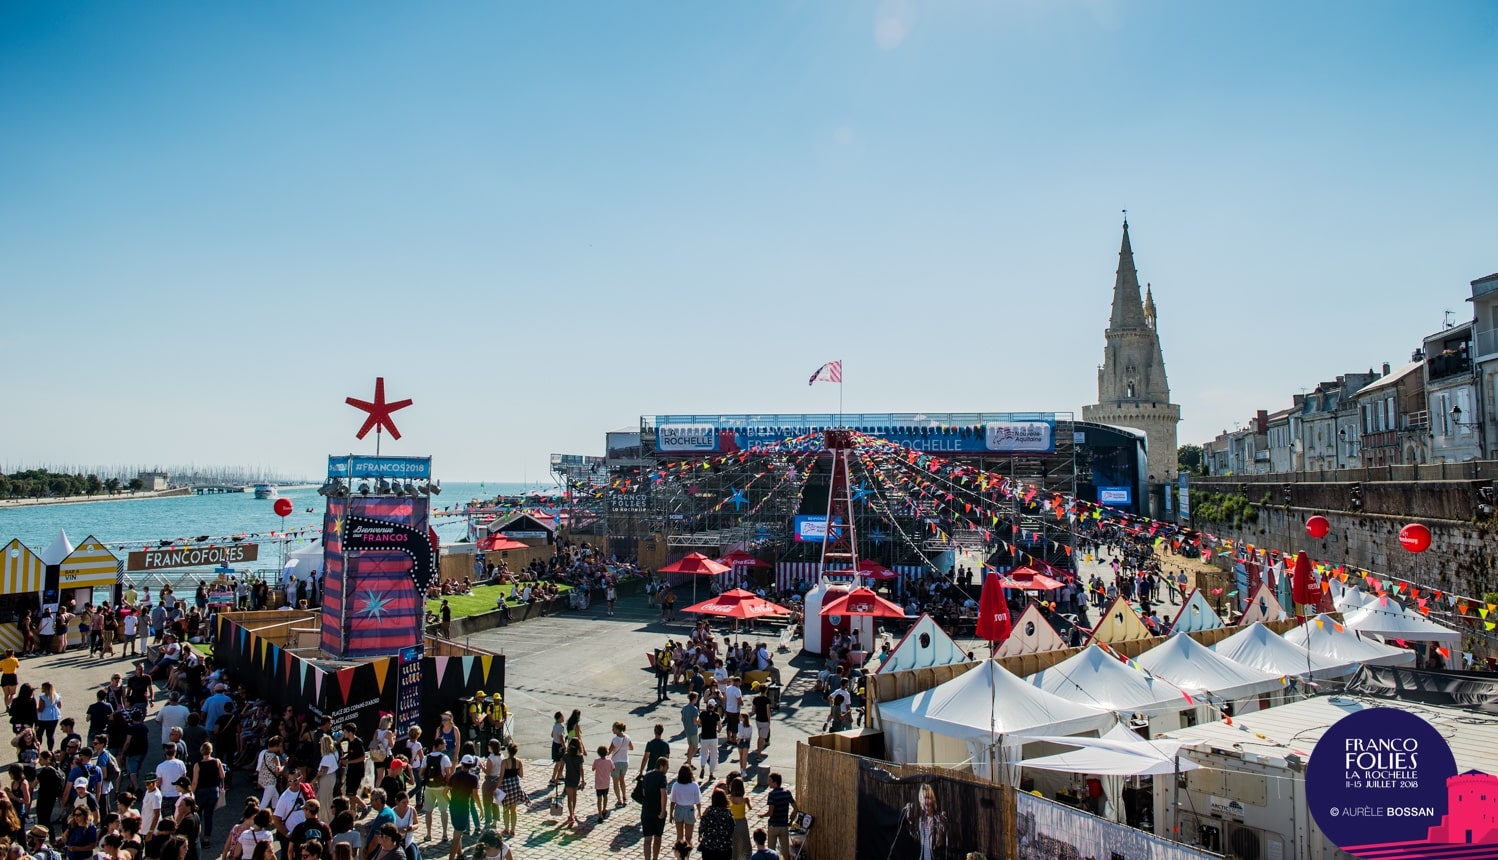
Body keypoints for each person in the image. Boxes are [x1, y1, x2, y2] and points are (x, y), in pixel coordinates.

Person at [189, 743, 224, 849]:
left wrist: (191, 793)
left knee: (197, 815)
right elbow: (222, 775)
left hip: (201, 791)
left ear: (201, 751)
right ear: (211, 751)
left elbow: (195, 782)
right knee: (209, 815)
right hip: (214, 791)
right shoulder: (217, 761)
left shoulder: (198, 765)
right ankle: (206, 839)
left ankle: (195, 836)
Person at [899, 783, 948, 860]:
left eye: (928, 798)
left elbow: (941, 843)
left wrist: (942, 825)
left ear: (933, 800)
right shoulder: (920, 820)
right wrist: (910, 823)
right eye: (923, 799)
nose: (925, 801)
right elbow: (916, 838)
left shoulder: (938, 819)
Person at [445, 756, 480, 860]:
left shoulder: (454, 776)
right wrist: (480, 808)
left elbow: (444, 792)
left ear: (462, 764)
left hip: (453, 806)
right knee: (457, 835)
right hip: (464, 807)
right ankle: (451, 858)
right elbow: (475, 795)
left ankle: (460, 854)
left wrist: (450, 802)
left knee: (457, 830)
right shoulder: (473, 778)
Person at [640, 757, 670, 860]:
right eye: (667, 767)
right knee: (657, 837)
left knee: (647, 839)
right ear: (661, 766)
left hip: (646, 810)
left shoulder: (647, 775)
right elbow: (663, 794)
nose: (668, 769)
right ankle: (655, 858)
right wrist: (662, 811)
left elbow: (643, 792)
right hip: (657, 811)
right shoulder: (662, 777)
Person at [761, 773, 796, 859]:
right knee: (785, 853)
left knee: (771, 852)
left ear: (775, 782)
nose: (768, 782)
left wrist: (762, 815)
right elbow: (796, 809)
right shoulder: (787, 793)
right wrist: (791, 821)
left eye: (770, 780)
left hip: (773, 826)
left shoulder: (772, 795)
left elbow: (770, 812)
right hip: (784, 826)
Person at [667, 765, 701, 847]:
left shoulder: (676, 785)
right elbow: (698, 801)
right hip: (689, 810)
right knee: (688, 838)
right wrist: (699, 812)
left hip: (679, 809)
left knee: (679, 837)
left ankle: (679, 856)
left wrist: (671, 814)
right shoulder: (694, 786)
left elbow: (673, 801)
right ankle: (687, 855)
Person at [697, 789, 735, 860]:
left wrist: (703, 816)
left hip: (709, 847)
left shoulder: (708, 812)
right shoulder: (727, 813)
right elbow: (732, 828)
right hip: (724, 847)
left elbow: (702, 826)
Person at [497, 744, 524, 839]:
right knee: (514, 809)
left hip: (506, 786)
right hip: (515, 786)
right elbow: (521, 775)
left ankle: (506, 828)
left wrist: (496, 787)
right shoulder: (519, 762)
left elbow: (501, 776)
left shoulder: (504, 762)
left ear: (508, 751)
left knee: (505, 809)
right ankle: (513, 830)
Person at [560, 738, 585, 828]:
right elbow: (581, 769)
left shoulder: (566, 756)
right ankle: (573, 813)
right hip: (576, 778)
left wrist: (558, 776)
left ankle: (571, 815)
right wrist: (583, 780)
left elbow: (561, 766)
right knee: (574, 796)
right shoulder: (580, 757)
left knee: (569, 797)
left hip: (568, 777)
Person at [608, 722, 633, 807]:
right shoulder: (627, 737)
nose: (612, 730)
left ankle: (619, 800)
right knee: (622, 780)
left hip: (616, 762)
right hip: (625, 761)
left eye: (613, 728)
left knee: (615, 782)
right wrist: (624, 748)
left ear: (618, 729)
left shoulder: (615, 739)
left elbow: (609, 751)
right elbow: (631, 748)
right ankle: (624, 797)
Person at [36, 682, 61, 751]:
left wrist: (35, 709)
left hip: (43, 718)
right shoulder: (57, 696)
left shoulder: (43, 697)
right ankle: (50, 750)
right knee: (50, 735)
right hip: (54, 716)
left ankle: (38, 749)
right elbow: (59, 706)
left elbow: (41, 709)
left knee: (39, 734)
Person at [590, 746, 613, 823]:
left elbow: (593, 769)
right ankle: (604, 809)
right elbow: (613, 768)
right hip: (606, 783)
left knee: (599, 799)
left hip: (598, 783)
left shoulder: (596, 761)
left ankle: (599, 814)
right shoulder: (609, 761)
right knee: (605, 796)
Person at [679, 694, 700, 765]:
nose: (697, 699)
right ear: (693, 698)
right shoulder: (694, 709)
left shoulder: (684, 707)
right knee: (695, 747)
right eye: (696, 698)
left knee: (690, 746)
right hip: (693, 730)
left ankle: (689, 762)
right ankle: (689, 760)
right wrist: (699, 722)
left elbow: (682, 719)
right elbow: (695, 721)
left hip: (687, 729)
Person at [547, 713, 566, 786]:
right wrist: (564, 746)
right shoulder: (561, 727)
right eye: (562, 717)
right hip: (559, 746)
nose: (563, 718)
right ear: (559, 718)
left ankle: (559, 775)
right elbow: (561, 737)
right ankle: (553, 778)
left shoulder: (555, 725)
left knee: (559, 762)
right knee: (559, 763)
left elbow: (552, 735)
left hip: (554, 744)